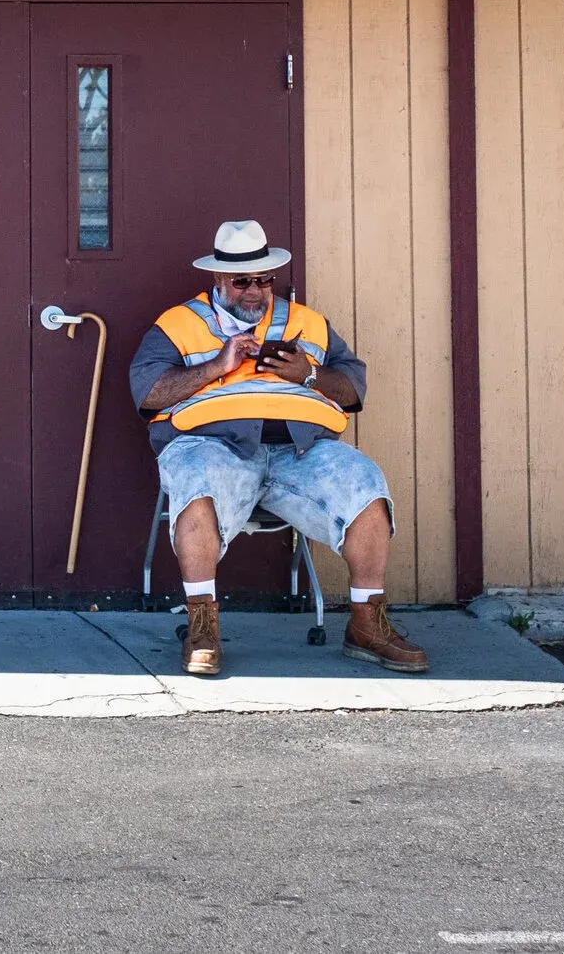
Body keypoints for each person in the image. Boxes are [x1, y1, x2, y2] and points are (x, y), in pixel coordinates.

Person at [125, 219, 428, 678]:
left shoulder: (306, 322)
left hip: (300, 451)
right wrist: (215, 366)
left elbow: (351, 389)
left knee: (365, 482)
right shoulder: (179, 324)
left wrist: (307, 374)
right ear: (218, 279)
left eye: (263, 279)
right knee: (195, 478)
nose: (254, 290)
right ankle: (202, 627)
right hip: (213, 446)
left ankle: (368, 625)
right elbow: (147, 392)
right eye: (241, 281)